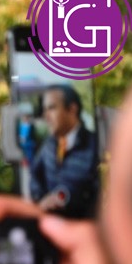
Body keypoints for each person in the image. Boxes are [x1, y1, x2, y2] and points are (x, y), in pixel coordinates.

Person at [29, 84, 99, 218]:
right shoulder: (48, 145)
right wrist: (40, 200)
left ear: (72, 109)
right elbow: (35, 176)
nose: (45, 116)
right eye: (44, 110)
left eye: (52, 108)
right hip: (50, 224)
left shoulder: (94, 145)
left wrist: (64, 198)